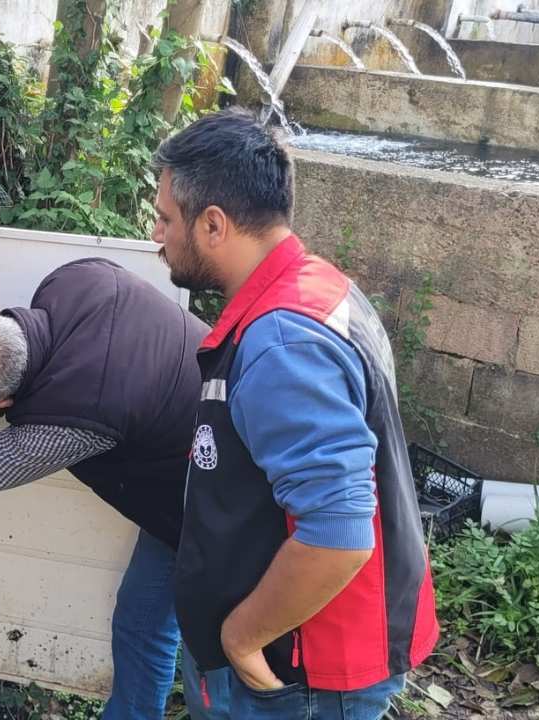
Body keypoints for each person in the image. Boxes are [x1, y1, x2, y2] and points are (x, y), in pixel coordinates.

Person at [150, 107, 439, 720]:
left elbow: (337, 532)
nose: (157, 235)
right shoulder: (316, 286)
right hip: (303, 660)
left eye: (166, 218)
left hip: (299, 674)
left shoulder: (282, 345)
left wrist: (241, 638)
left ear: (213, 225)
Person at [0, 257, 228, 719]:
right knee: (141, 621)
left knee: (215, 669)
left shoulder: (77, 413)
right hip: (200, 456)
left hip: (226, 510)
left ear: (3, 402)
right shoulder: (79, 279)